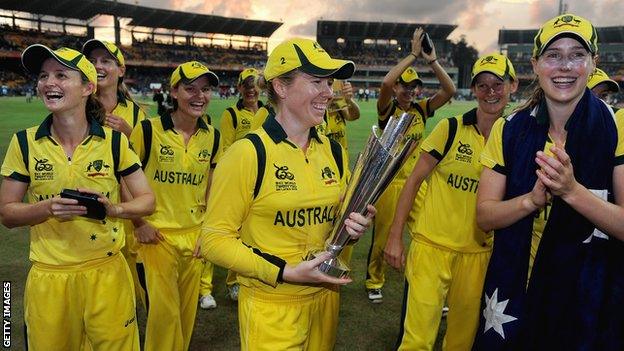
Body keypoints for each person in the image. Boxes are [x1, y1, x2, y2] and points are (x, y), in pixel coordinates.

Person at [198, 38, 375, 351]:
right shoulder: (247, 153)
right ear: (280, 86)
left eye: (330, 82)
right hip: (272, 307)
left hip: (325, 301)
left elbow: (332, 225)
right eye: (316, 81)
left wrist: (353, 227)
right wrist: (284, 271)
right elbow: (214, 241)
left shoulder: (333, 151)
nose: (329, 92)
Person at [473, 14, 624, 350]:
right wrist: (531, 200)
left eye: (576, 55)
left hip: (586, 296)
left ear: (593, 63)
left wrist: (571, 191)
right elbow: (484, 217)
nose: (565, 66)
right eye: (553, 55)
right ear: (536, 64)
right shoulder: (509, 129)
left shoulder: (618, 125)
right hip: (518, 292)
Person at [0, 45, 155, 350]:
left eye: (61, 75)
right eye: (43, 76)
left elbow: (148, 201)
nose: (48, 83)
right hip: (50, 277)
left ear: (87, 87)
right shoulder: (24, 143)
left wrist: (115, 209)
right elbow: (6, 213)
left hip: (107, 274)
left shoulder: (114, 143)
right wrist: (46, 208)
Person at [385, 53, 517, 350]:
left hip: (478, 254)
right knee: (416, 339)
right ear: (473, 90)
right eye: (482, 85)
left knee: (461, 339)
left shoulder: (515, 138)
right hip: (431, 247)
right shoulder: (451, 128)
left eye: (498, 84)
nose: (490, 92)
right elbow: (413, 181)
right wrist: (394, 237)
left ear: (513, 85)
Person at [129, 61, 222, 351]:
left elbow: (211, 186)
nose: (199, 96)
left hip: (193, 237)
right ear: (174, 91)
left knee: (184, 315)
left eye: (205, 90)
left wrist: (206, 231)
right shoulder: (147, 131)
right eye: (190, 88)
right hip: (156, 238)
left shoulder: (212, 136)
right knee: (163, 315)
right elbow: (125, 180)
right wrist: (139, 224)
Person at [366, 27, 456, 303]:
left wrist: (431, 60)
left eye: (412, 86)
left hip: (417, 183)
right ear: (397, 88)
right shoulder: (388, 110)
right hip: (390, 183)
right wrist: (412, 55)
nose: (408, 90)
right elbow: (384, 83)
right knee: (382, 238)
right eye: (404, 86)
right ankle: (374, 281)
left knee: (426, 234)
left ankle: (426, 281)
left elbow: (449, 90)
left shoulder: (421, 109)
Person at [82, 38, 149, 309]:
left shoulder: (136, 114)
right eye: (92, 61)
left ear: (121, 70)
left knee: (137, 292)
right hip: (89, 214)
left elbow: (148, 163)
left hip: (128, 212)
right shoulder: (76, 107)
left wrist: (130, 134)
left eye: (105, 60)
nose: (97, 65)